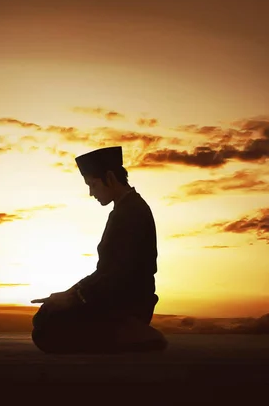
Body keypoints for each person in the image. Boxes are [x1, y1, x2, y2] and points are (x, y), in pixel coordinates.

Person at [31, 146, 167, 353]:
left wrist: (74, 298)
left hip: (126, 302)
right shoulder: (127, 208)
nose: (91, 192)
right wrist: (70, 293)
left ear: (110, 178)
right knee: (45, 316)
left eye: (92, 184)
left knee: (47, 329)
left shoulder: (130, 213)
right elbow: (105, 271)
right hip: (114, 296)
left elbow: (118, 275)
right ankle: (121, 333)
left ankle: (129, 331)